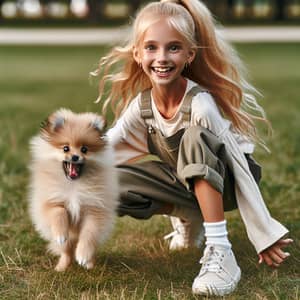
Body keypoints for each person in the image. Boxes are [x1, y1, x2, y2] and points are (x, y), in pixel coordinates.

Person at [91, 0, 293, 296]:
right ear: (137, 53)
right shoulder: (143, 106)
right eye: (151, 47)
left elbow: (238, 164)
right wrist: (70, 166)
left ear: (189, 55)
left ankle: (221, 250)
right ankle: (190, 215)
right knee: (101, 182)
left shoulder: (200, 104)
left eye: (173, 47)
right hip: (186, 181)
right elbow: (107, 146)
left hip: (228, 182)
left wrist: (263, 232)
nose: (161, 57)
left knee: (194, 138)